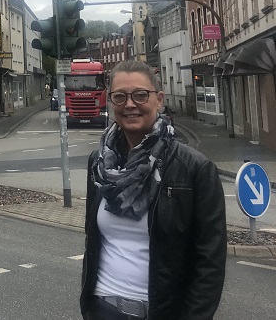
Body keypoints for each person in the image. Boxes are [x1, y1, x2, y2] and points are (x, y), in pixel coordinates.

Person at [80, 60, 226, 320]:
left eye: (140, 95)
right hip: (103, 308)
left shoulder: (194, 168)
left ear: (159, 100)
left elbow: (209, 263)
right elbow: (93, 238)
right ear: (111, 101)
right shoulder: (99, 162)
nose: (130, 104)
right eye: (120, 96)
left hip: (162, 312)